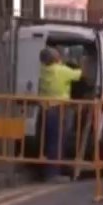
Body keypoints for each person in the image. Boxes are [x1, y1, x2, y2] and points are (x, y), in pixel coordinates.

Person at [38, 47, 83, 180]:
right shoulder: (61, 71)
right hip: (59, 110)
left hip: (47, 110)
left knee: (52, 141)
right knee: (57, 142)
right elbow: (79, 74)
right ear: (55, 58)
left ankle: (53, 171)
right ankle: (53, 174)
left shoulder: (43, 71)